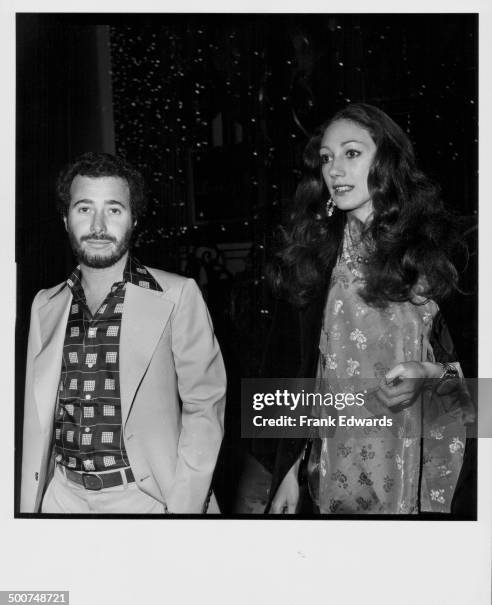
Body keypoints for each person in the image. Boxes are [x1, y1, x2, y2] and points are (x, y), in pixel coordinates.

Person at [266, 103, 473, 515]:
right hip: (331, 468)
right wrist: (288, 470)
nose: (335, 170)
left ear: (388, 160)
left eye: (352, 153)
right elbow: (298, 375)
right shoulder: (312, 256)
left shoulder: (443, 250)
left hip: (427, 464)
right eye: (326, 158)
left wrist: (431, 375)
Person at [20, 152, 226, 514]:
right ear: (66, 220)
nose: (98, 224)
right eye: (84, 208)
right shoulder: (44, 305)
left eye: (114, 209)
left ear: (133, 220)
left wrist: (184, 505)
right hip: (61, 497)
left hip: (145, 498)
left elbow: (205, 406)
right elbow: (36, 420)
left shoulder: (177, 295)